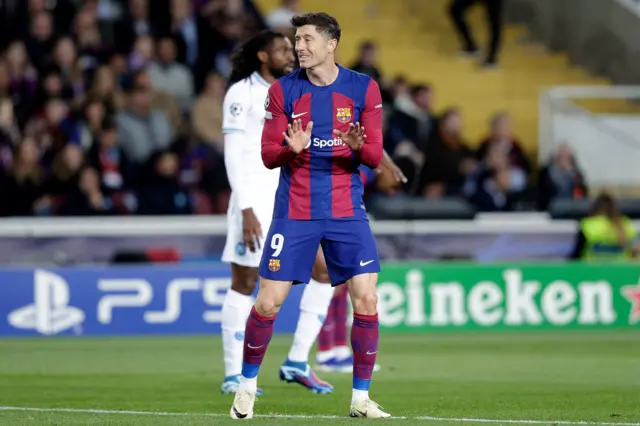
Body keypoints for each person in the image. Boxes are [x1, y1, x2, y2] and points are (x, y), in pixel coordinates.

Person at [230, 12, 391, 419]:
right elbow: (269, 156)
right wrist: (292, 149)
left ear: (331, 43)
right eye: (295, 40)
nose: (298, 47)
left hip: (346, 211)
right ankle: (246, 385)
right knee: (267, 303)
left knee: (367, 299)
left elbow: (374, 158)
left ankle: (360, 399)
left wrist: (358, 147)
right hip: (295, 212)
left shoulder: (363, 87)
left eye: (305, 40)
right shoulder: (284, 90)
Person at [219, 29, 334, 396]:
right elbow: (233, 153)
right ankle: (233, 373)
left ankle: (298, 360)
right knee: (246, 283)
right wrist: (246, 207)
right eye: (283, 48)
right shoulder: (242, 93)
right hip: (252, 199)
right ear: (263, 56)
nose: (291, 53)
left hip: (290, 198)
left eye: (293, 47)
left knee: (325, 270)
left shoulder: (295, 90)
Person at [570, 194, 639, 260]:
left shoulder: (588, 225)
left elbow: (576, 256)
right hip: (621, 270)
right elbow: (635, 253)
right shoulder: (625, 225)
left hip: (593, 271)